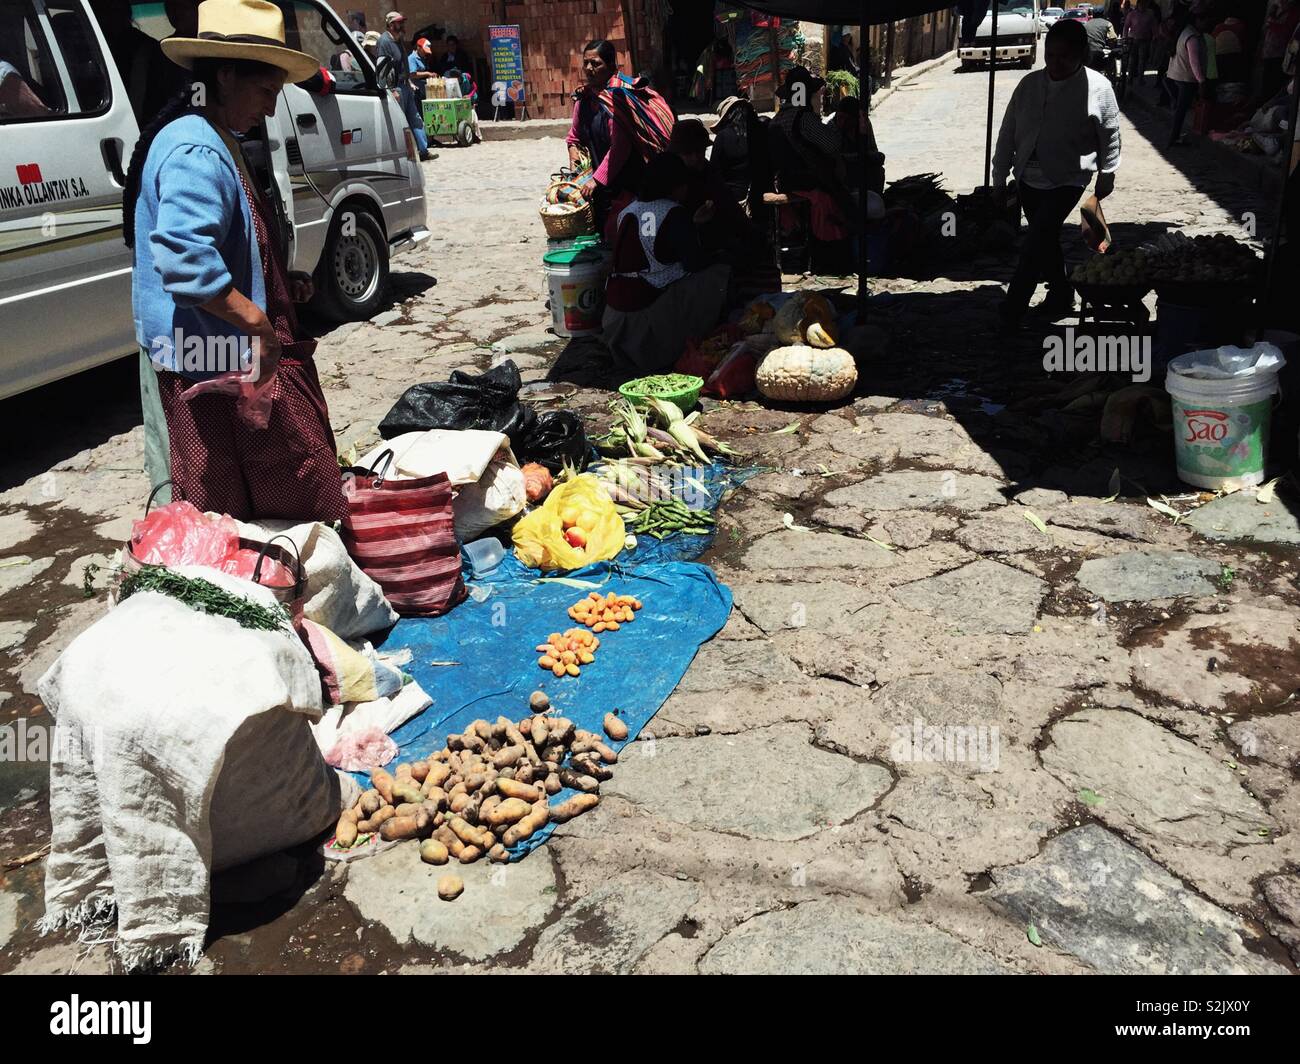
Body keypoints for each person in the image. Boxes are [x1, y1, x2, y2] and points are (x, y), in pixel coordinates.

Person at [124, 0, 347, 522]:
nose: (271, 110)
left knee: (262, 487)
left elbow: (222, 240)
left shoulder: (213, 135)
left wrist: (274, 281)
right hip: (208, 352)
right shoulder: (194, 148)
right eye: (265, 92)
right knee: (234, 497)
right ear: (225, 77)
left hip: (221, 349)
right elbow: (184, 260)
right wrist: (258, 326)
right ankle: (247, 589)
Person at [992, 18, 1122, 329]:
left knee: (1033, 242)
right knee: (1045, 237)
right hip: (1028, 177)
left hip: (1068, 177)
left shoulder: (1098, 88)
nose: (1055, 62)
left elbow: (1110, 134)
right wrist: (999, 176)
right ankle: (1061, 294)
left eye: (1064, 56)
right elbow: (1008, 130)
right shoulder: (1029, 85)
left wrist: (1108, 172)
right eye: (1050, 55)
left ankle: (1013, 310)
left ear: (1081, 54)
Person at [601, 153, 731, 380]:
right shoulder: (673, 212)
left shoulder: (629, 210)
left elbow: (651, 243)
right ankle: (691, 338)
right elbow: (694, 262)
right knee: (717, 272)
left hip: (615, 315)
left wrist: (693, 226)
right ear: (676, 186)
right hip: (643, 313)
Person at [565, 39, 674, 233]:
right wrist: (576, 167)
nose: (589, 68)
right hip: (601, 186)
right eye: (586, 63)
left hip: (630, 181)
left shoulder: (618, 97)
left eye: (596, 63)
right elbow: (573, 138)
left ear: (611, 66)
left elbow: (620, 147)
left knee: (628, 233)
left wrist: (596, 180)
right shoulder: (583, 100)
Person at [768, 65, 856, 273]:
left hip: (787, 179)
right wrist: (838, 125)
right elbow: (832, 145)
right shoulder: (803, 119)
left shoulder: (779, 118)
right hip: (808, 181)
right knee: (845, 196)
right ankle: (837, 257)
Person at [378, 10, 433, 161]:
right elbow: (382, 68)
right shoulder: (384, 42)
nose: (402, 25)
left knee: (415, 118)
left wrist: (408, 81)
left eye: (402, 22)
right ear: (390, 25)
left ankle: (423, 151)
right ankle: (402, 154)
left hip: (405, 85)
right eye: (399, 22)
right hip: (395, 88)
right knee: (400, 122)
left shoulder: (399, 40)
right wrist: (390, 89)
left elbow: (403, 64)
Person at [710, 95, 772, 217]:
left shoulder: (723, 137)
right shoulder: (764, 130)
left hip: (734, 200)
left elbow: (714, 172)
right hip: (763, 195)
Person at [1166, 3, 1218, 146]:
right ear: (1198, 20)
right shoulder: (1192, 37)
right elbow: (1194, 62)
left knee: (1180, 109)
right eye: (1205, 20)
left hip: (1177, 76)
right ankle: (1174, 137)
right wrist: (1201, 81)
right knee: (1181, 110)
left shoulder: (1185, 32)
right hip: (1186, 78)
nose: (1207, 24)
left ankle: (1174, 135)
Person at [1261, 0, 1300, 97]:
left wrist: (1273, 25)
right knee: (1266, 84)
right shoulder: (1275, 9)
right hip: (1268, 53)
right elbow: (1266, 32)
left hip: (1281, 55)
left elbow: (1288, 32)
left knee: (1275, 86)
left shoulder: (1293, 11)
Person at [1123, 0, 1160, 84]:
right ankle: (1130, 78)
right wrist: (1125, 37)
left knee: (1142, 61)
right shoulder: (1132, 14)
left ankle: (1140, 79)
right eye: (1141, 4)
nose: (1143, 5)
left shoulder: (1150, 13)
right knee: (1132, 60)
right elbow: (1126, 26)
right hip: (1133, 40)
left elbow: (1154, 25)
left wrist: (1155, 35)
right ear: (1138, 4)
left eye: (1145, 3)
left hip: (1145, 40)